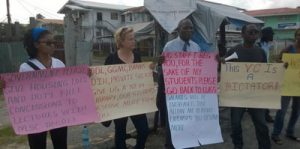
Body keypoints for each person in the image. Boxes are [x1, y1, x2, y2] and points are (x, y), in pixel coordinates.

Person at [0, 28, 67, 149]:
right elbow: (21, 92)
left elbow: (68, 86)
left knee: (61, 144)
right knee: (37, 145)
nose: (53, 45)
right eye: (48, 42)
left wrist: (84, 76)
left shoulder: (59, 64)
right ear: (36, 44)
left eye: (54, 42)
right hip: (36, 116)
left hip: (58, 113)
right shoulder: (25, 68)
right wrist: (6, 85)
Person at [157, 18, 201, 149]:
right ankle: (170, 145)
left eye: (191, 28)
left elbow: (199, 69)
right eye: (185, 28)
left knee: (189, 121)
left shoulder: (196, 47)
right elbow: (163, 70)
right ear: (178, 30)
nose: (189, 30)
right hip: (174, 93)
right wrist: (160, 63)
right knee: (173, 123)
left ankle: (189, 144)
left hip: (190, 92)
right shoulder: (169, 47)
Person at [225, 24, 271, 149]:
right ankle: (238, 145)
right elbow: (224, 71)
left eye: (256, 32)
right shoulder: (233, 51)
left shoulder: (261, 52)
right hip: (237, 96)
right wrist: (219, 63)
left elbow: (265, 72)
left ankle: (265, 146)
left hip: (255, 96)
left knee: (261, 124)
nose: (253, 34)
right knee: (235, 124)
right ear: (242, 34)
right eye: (250, 31)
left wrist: (280, 69)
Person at [104, 26, 149, 149]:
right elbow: (103, 80)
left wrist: (149, 71)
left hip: (136, 101)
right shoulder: (111, 58)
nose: (134, 41)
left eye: (134, 39)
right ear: (121, 41)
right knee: (120, 132)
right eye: (130, 39)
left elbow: (141, 76)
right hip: (119, 103)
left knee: (144, 130)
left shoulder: (137, 56)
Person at [271, 28, 300, 145]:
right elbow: (277, 59)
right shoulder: (289, 48)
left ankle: (290, 131)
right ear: (295, 36)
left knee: (296, 111)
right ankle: (275, 134)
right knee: (282, 111)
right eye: (298, 34)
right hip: (287, 85)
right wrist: (282, 63)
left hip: (298, 85)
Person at [257, 27, 275, 123]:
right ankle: (264, 115)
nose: (273, 35)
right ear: (266, 35)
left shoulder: (268, 46)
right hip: (260, 74)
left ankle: (265, 114)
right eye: (271, 33)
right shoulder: (259, 45)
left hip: (267, 73)